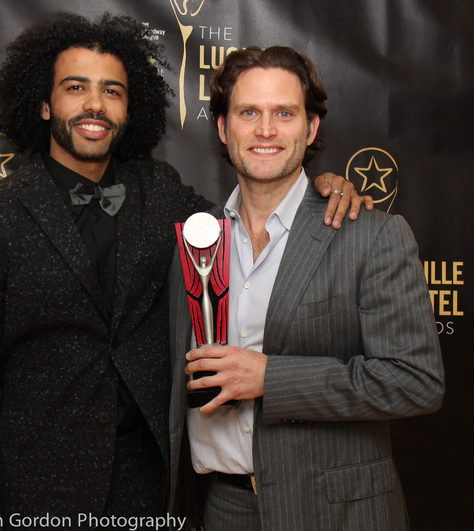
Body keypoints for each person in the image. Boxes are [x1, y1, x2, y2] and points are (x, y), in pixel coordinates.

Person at [0, 13, 366, 530]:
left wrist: (323, 186)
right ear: (44, 104)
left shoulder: (160, 192)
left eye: (112, 90)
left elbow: (252, 213)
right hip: (34, 489)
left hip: (148, 489)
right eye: (76, 87)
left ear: (128, 108)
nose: (95, 104)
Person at [169, 46, 444, 531]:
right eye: (248, 112)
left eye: (284, 113)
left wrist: (269, 379)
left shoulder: (371, 234)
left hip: (339, 511)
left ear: (311, 127)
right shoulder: (195, 238)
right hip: (224, 509)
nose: (266, 130)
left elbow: (415, 381)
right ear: (222, 127)